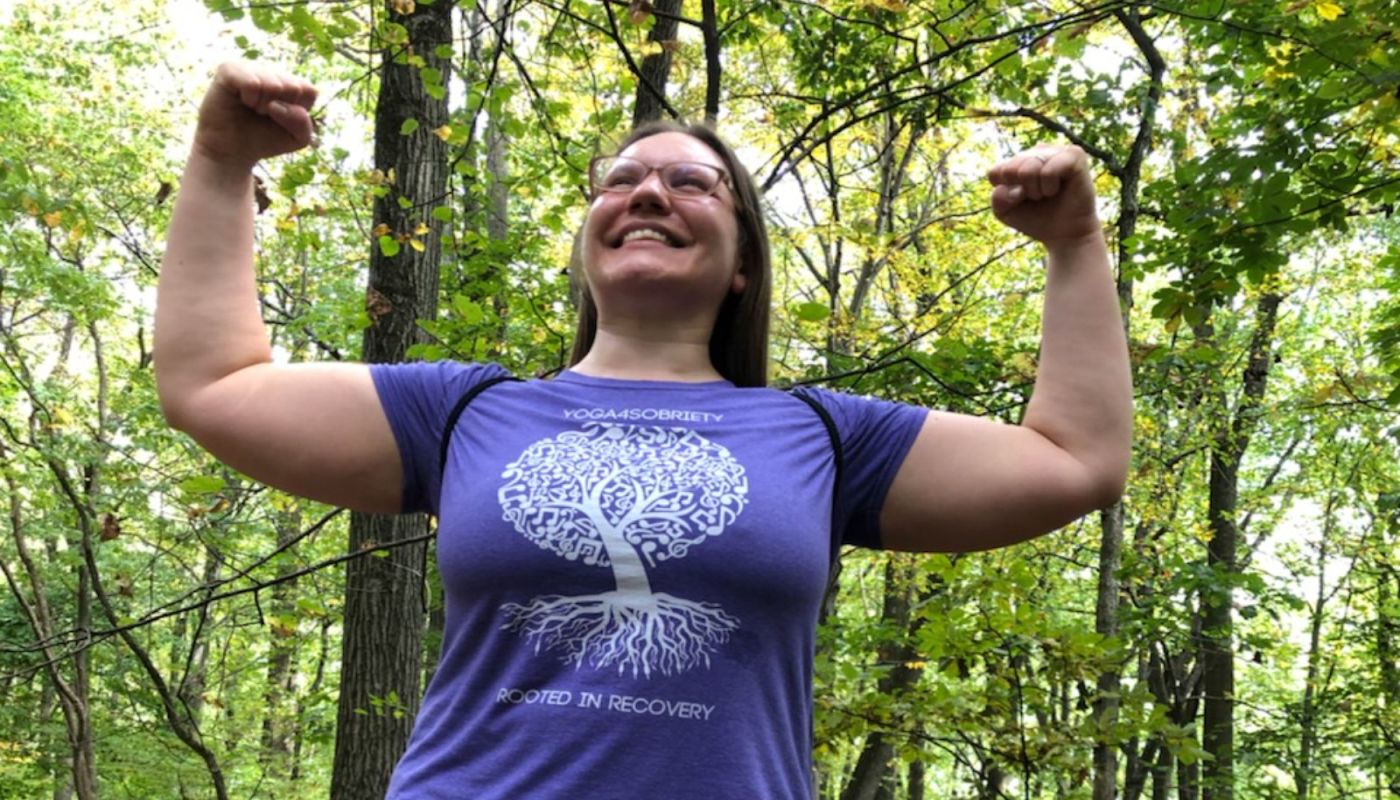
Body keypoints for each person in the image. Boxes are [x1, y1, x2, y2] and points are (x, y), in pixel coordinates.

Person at [156, 63, 1132, 800]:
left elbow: (1075, 460)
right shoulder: (461, 413)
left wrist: (1076, 245)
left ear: (741, 263)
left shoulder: (822, 438)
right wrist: (221, 159)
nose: (649, 192)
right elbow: (213, 383)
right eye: (620, 179)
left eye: (692, 183)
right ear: (589, 244)